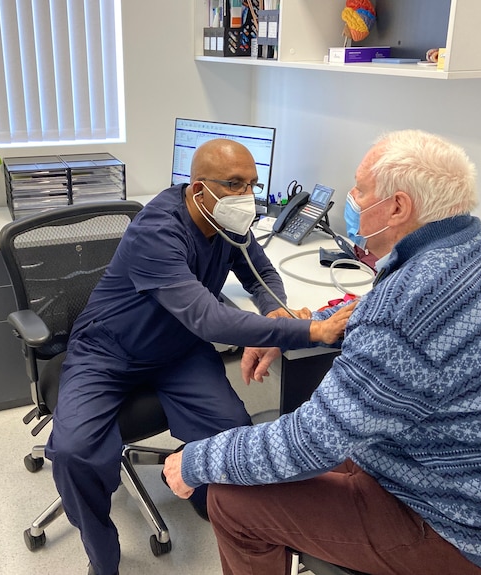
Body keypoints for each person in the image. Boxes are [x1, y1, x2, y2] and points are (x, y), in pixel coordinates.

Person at [164, 130, 481, 575]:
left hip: (457, 529)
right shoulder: (475, 251)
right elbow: (396, 333)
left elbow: (308, 442)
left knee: (230, 498)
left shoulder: (406, 304)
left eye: (359, 190)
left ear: (398, 207)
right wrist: (291, 332)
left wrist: (196, 460)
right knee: (277, 457)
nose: (351, 199)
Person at [47, 138, 354, 575]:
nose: (245, 196)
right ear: (197, 190)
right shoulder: (157, 231)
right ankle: (103, 559)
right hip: (108, 350)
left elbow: (261, 273)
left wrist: (275, 314)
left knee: (232, 433)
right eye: (233, 184)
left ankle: (212, 504)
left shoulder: (227, 222)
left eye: (251, 184)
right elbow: (209, 319)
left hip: (178, 350)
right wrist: (307, 329)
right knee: (75, 453)